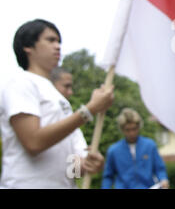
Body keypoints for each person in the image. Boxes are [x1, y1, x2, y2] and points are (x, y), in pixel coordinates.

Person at [0, 19, 114, 188]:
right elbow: (33, 142)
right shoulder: (21, 82)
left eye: (59, 41)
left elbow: (71, 169)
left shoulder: (58, 98)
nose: (58, 46)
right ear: (28, 47)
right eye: (50, 40)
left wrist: (87, 165)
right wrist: (89, 110)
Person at [101, 108, 169, 189]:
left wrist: (163, 179)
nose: (131, 133)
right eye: (128, 130)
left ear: (139, 127)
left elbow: (160, 168)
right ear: (122, 129)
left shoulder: (150, 146)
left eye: (134, 129)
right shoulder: (113, 150)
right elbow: (108, 176)